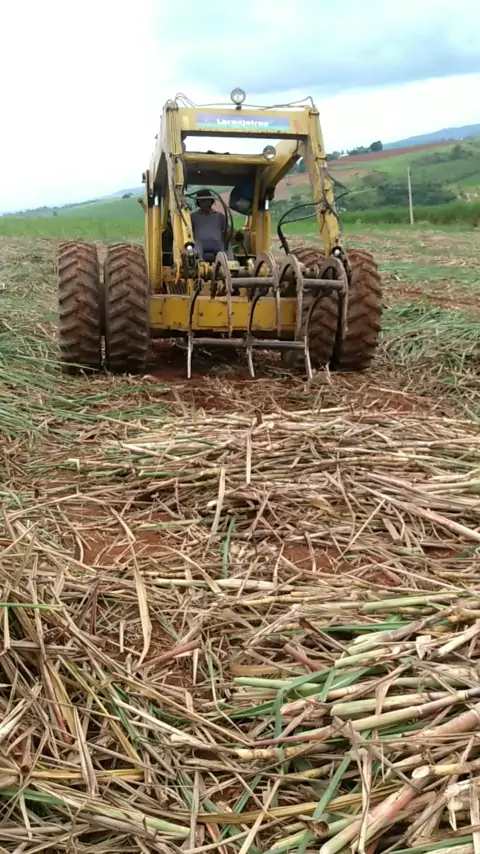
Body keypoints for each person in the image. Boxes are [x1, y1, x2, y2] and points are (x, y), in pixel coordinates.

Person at [191, 189, 229, 258]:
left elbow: (228, 230)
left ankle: (229, 262)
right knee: (195, 249)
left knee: (226, 246)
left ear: (211, 202)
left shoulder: (220, 216)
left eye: (209, 201)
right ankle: (197, 260)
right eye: (204, 201)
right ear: (199, 203)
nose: (207, 204)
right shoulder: (193, 216)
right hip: (199, 244)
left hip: (216, 244)